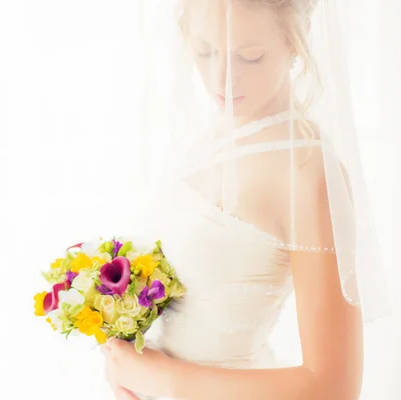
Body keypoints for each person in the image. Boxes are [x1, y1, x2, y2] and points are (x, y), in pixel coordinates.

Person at [100, 0, 390, 399]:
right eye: (205, 51)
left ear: (294, 42)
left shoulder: (306, 172)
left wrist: (160, 379)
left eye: (249, 57)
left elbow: (335, 388)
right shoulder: (213, 134)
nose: (223, 80)